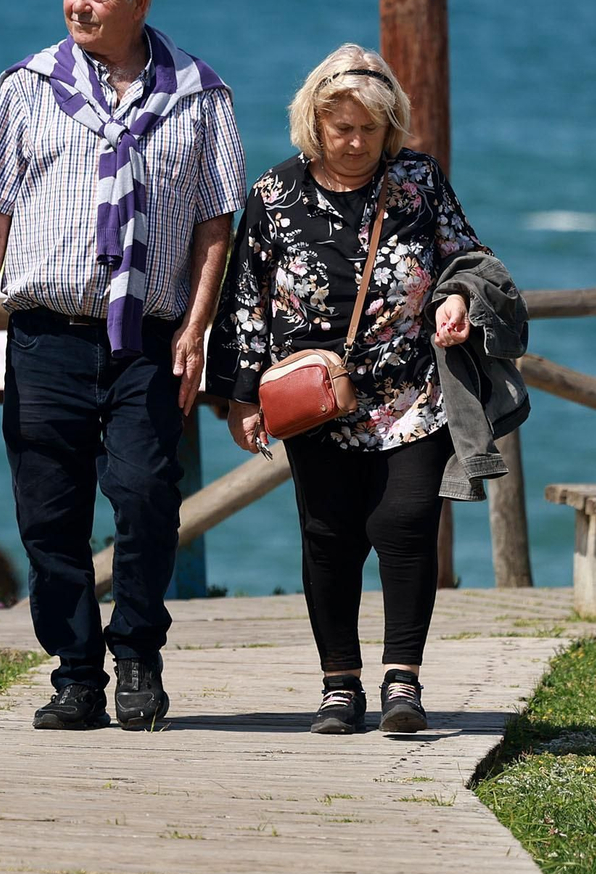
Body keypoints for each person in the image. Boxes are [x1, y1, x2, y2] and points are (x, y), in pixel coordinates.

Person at [0, 0, 245, 731]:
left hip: (146, 339)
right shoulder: (27, 86)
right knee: (49, 512)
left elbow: (216, 223)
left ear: (140, 1)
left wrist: (197, 328)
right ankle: (76, 671)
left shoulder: (201, 95)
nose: (78, 4)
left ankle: (139, 658)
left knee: (149, 495)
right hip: (46, 333)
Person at [207, 43, 494, 735]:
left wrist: (456, 297)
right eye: (342, 128)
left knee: (405, 524)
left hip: (410, 395)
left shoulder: (419, 182)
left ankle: (404, 681)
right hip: (315, 401)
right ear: (315, 123)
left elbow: (468, 257)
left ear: (388, 126)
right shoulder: (274, 194)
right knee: (328, 535)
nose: (356, 141)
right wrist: (241, 396)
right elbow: (245, 298)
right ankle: (340, 683)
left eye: (369, 128)